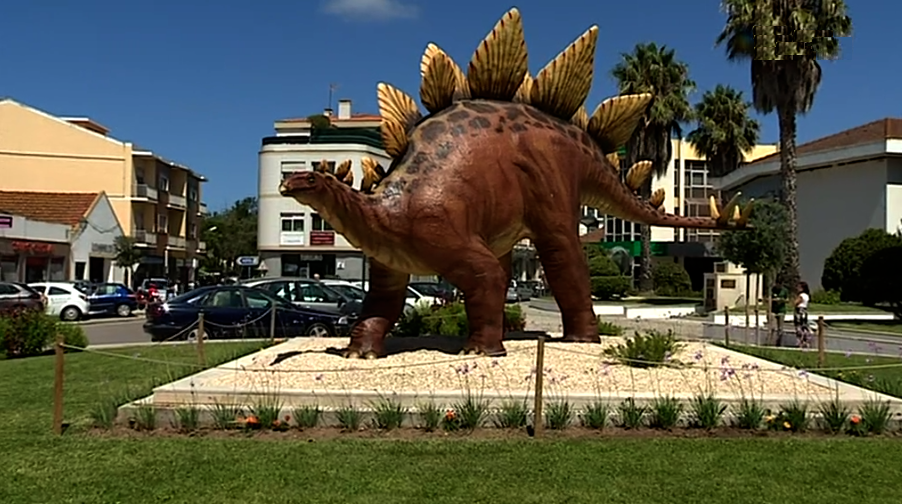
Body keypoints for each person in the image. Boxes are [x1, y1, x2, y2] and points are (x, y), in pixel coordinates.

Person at [770, 281, 789, 346]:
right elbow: (768, 298)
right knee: (772, 327)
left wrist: (781, 300)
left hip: (781, 310)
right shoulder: (773, 290)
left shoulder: (784, 290)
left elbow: (787, 300)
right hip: (773, 310)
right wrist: (773, 300)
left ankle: (779, 342)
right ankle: (771, 341)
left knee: (780, 328)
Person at [794, 281, 812, 348]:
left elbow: (796, 303)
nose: (797, 288)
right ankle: (806, 341)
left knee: (799, 326)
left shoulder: (801, 296)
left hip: (799, 311)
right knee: (804, 326)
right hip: (804, 311)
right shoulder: (807, 296)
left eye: (799, 287)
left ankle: (800, 341)